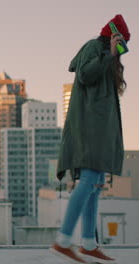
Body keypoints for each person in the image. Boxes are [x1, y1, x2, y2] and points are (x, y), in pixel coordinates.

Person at [50, 14, 129, 264]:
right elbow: (85, 74)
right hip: (89, 128)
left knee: (94, 185)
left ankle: (88, 244)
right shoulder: (94, 47)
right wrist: (110, 55)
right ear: (111, 36)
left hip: (98, 129)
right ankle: (63, 241)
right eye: (120, 40)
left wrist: (113, 58)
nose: (122, 47)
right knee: (88, 182)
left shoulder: (106, 56)